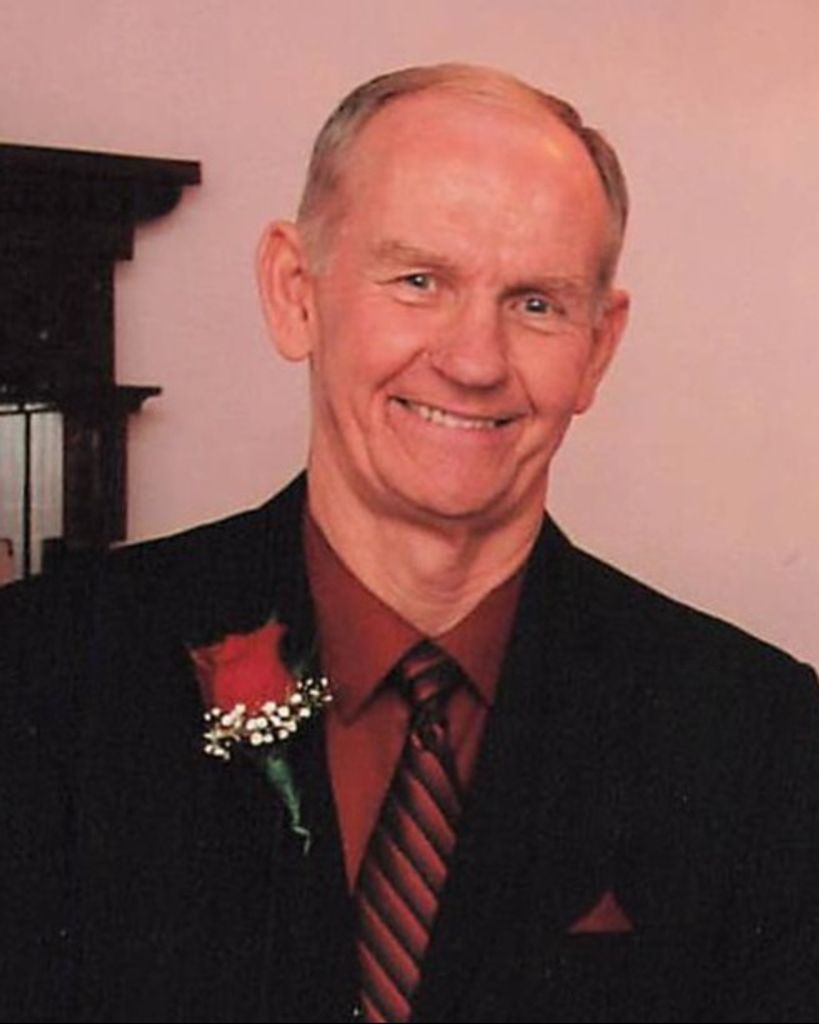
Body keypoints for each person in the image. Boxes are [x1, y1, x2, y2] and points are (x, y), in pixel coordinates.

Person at [2, 63, 817, 1024]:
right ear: (294, 292)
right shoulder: (41, 672)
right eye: (419, 281)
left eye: (536, 303)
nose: (473, 361)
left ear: (598, 347)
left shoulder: (758, 739)